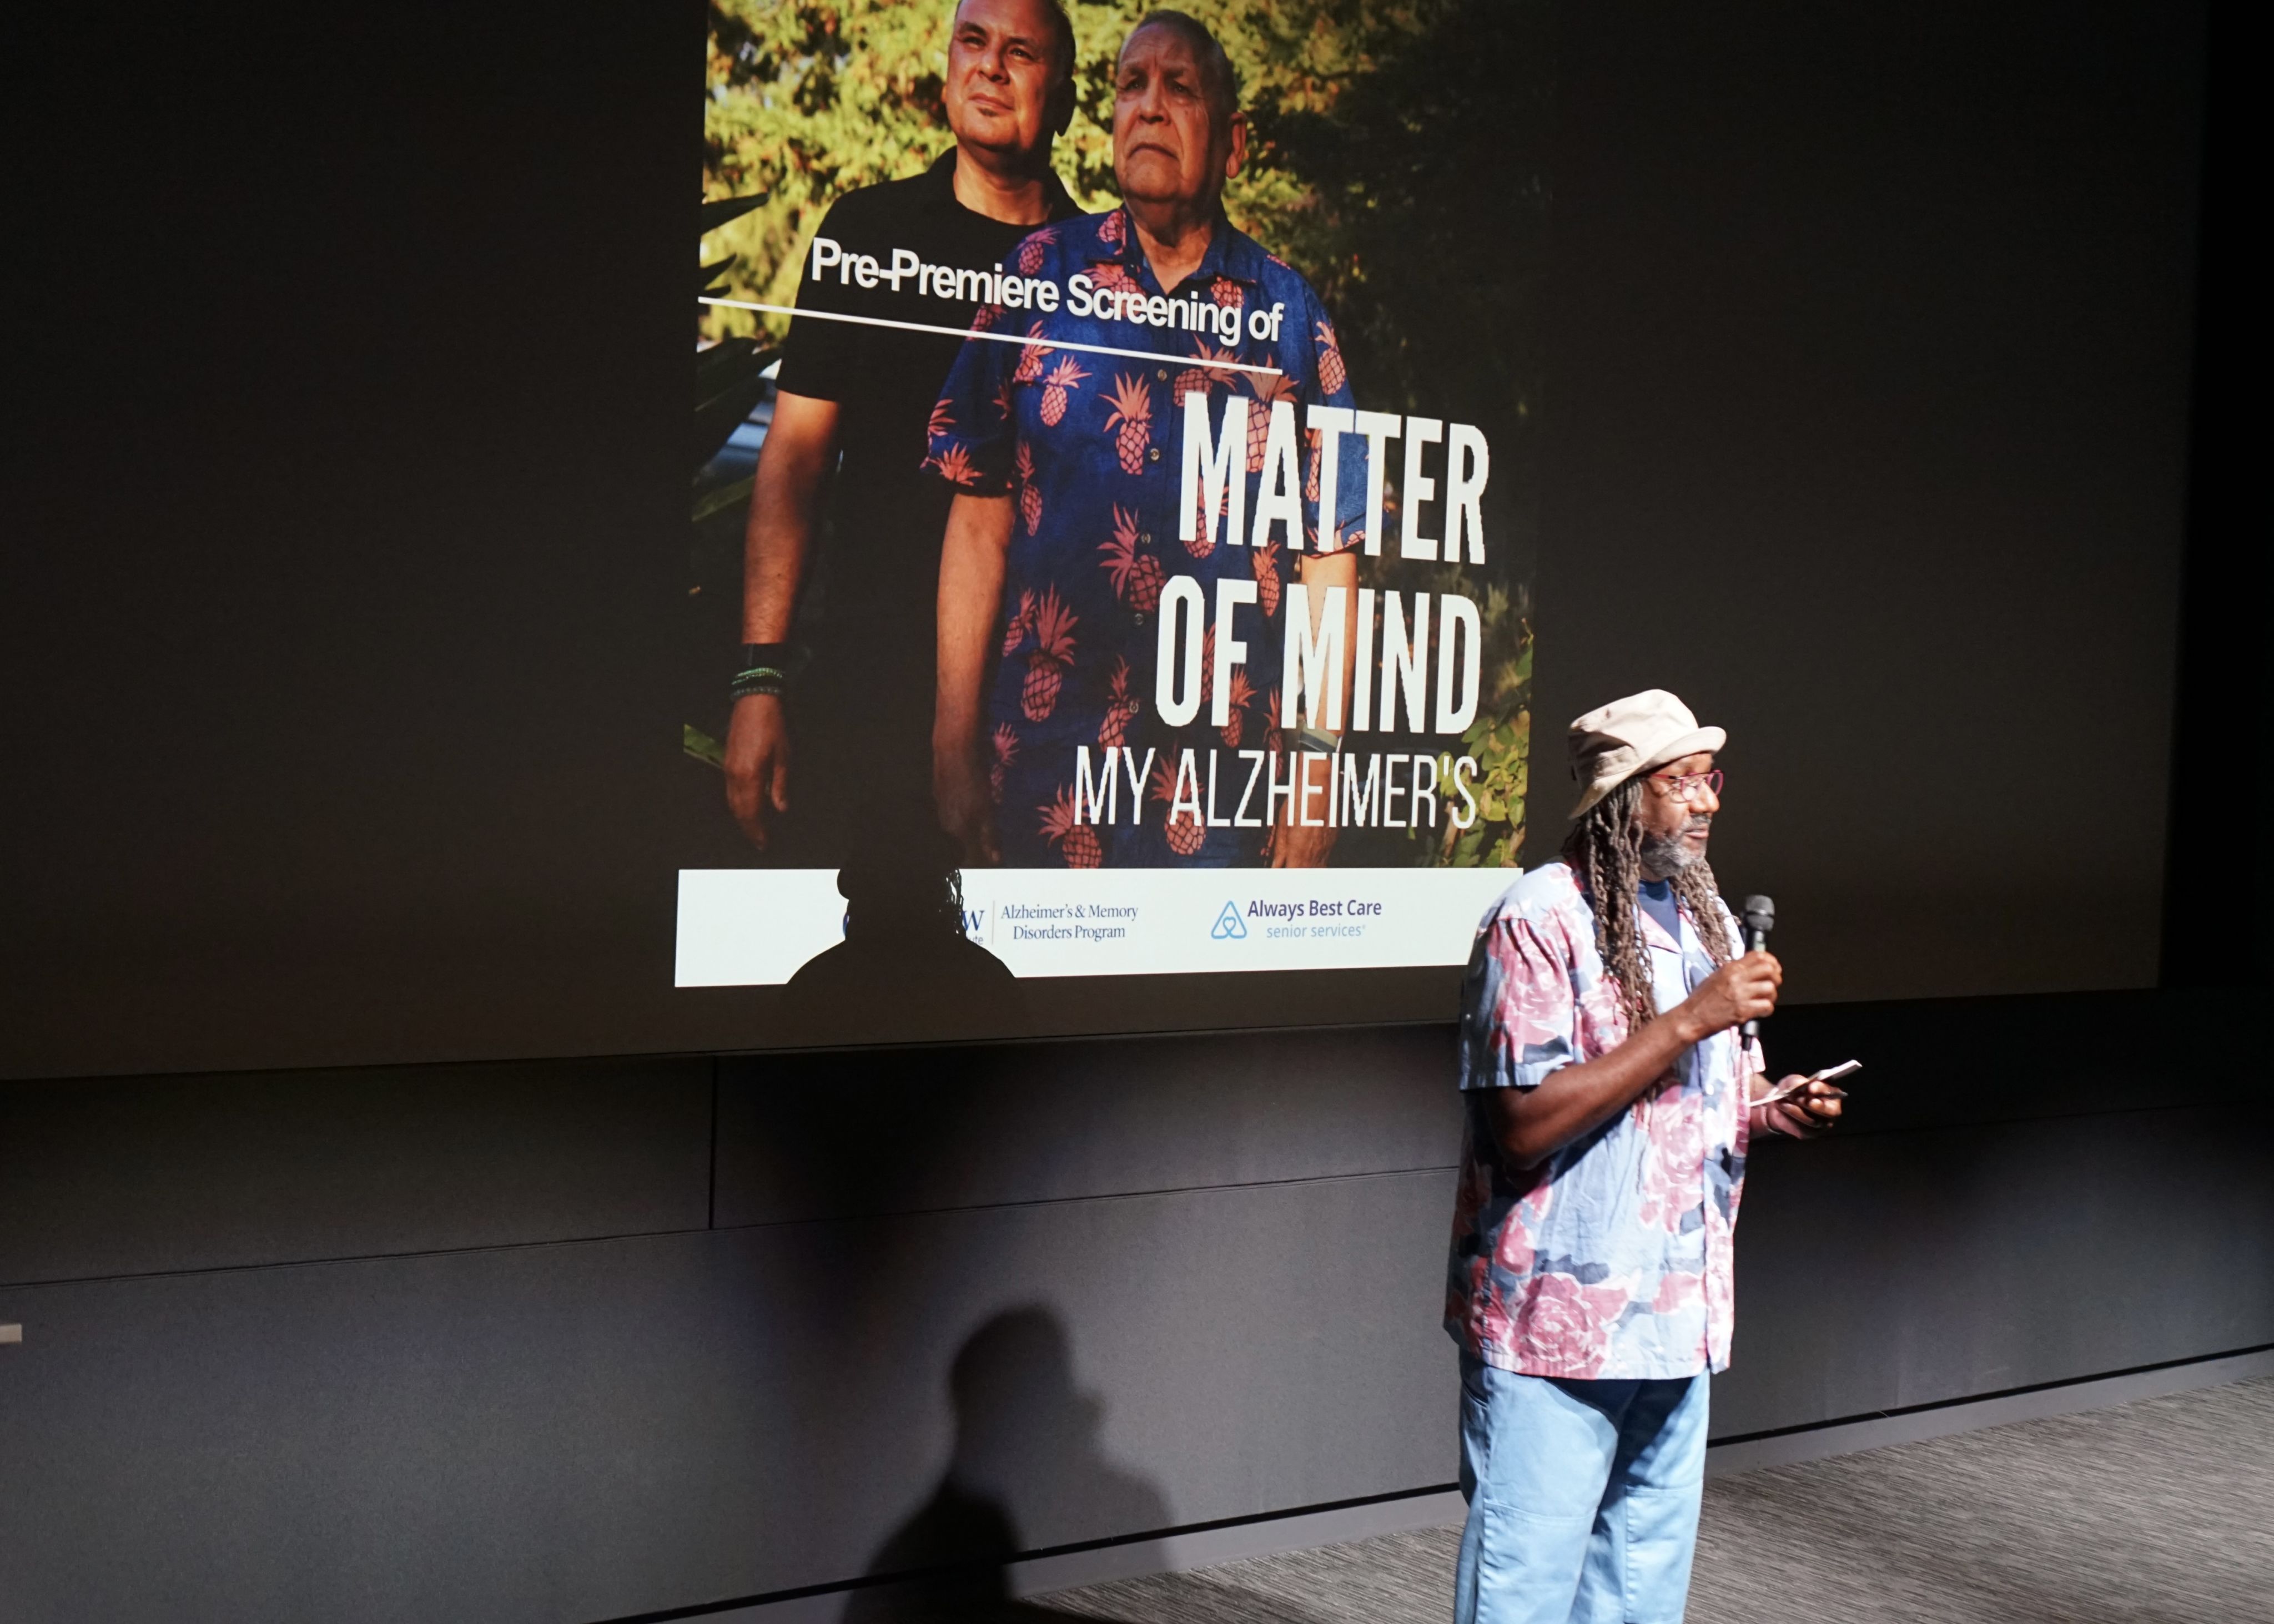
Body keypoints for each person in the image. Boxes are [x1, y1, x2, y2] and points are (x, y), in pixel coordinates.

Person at [926, 9, 1368, 869]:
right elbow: (977, 519)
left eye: (1181, 89)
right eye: (1132, 84)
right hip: (1044, 769)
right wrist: (950, 749)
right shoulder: (1038, 277)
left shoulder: (1292, 317)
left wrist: (1316, 769)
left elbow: (1331, 560)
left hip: (1224, 789)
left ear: (1233, 145)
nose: (1150, 106)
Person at [1444, 689, 1844, 1623]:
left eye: (1713, 782)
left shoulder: (1699, 918)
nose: (1708, 802)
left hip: (1677, 1317)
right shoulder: (1539, 918)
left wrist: (1781, 1108)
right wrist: (1695, 1015)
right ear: (1623, 796)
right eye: (1684, 783)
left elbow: (1705, 1099)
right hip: (1557, 1327)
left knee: (1639, 1590)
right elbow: (1525, 1123)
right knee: (1524, 1587)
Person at [723, 0, 1085, 860]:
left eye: (1021, 52)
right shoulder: (868, 233)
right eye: (974, 41)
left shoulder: (1098, 273)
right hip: (866, 693)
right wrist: (759, 678)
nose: (990, 66)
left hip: (1045, 722)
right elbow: (795, 463)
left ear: (1064, 100)